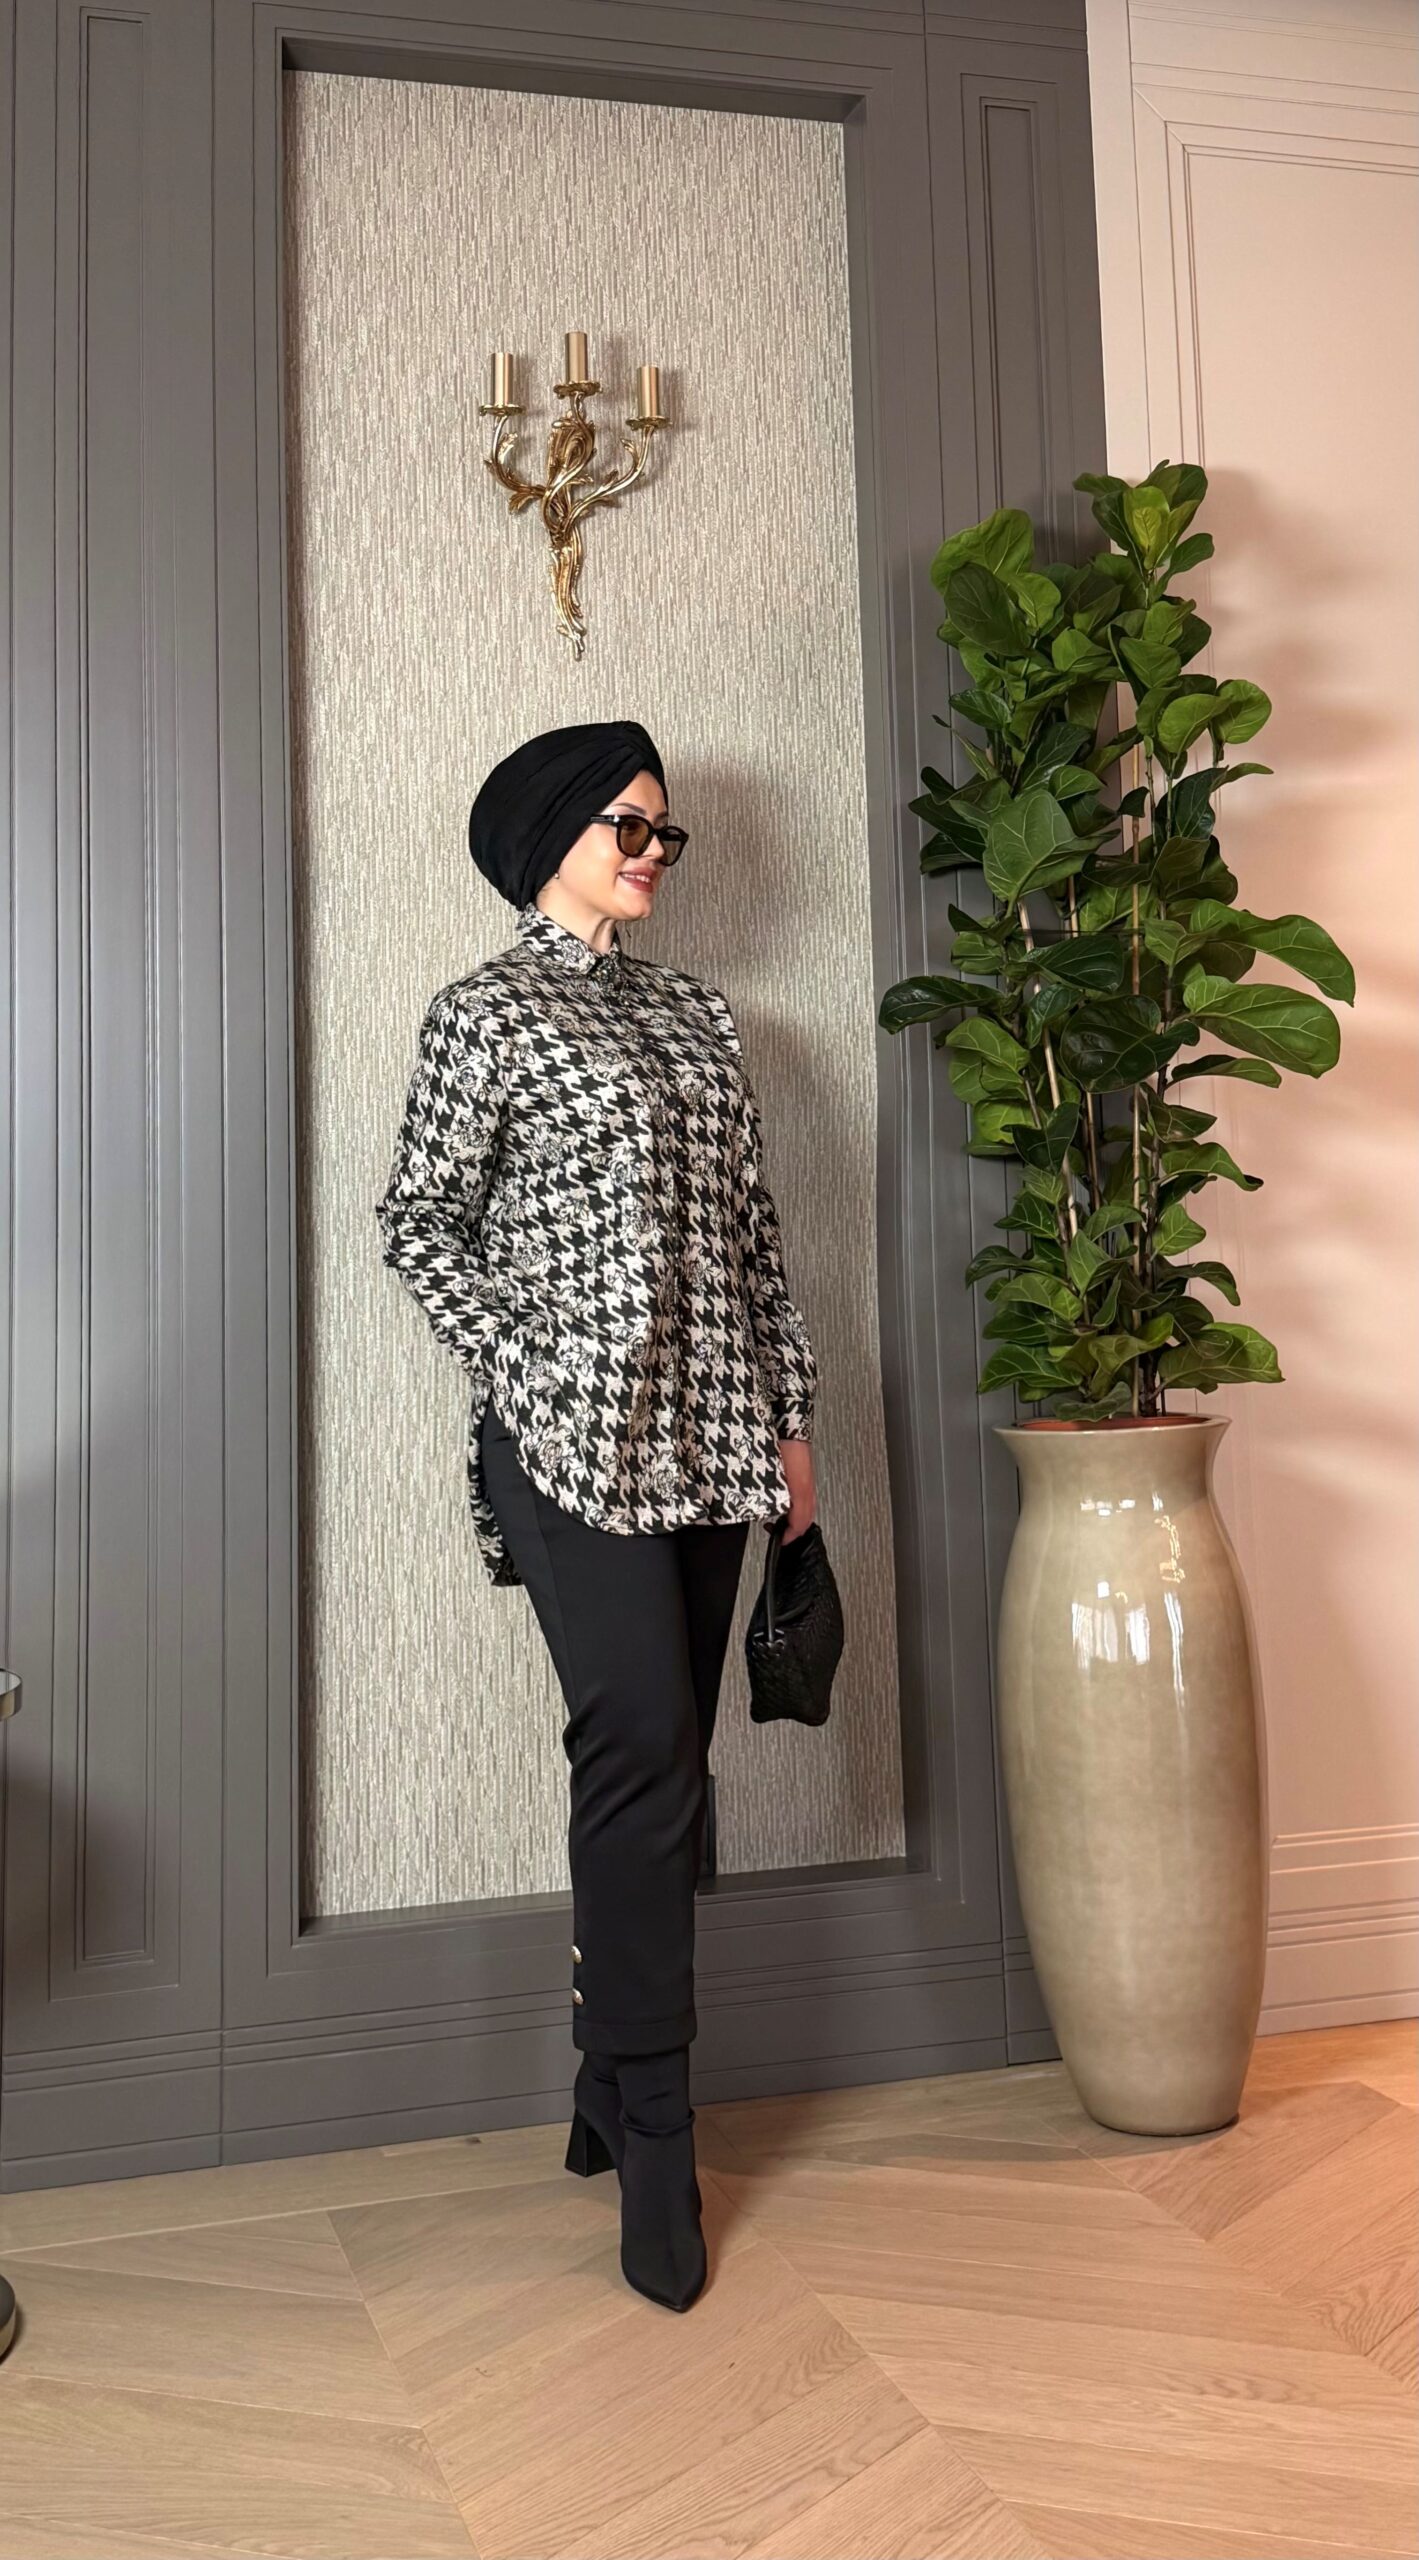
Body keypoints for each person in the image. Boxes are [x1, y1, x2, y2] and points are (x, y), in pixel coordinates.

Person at [374, 718, 819, 2312]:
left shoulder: (701, 1017)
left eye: (663, 831)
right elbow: (419, 1224)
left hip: (713, 1441)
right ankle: (656, 2131)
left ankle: (599, 2072)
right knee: (639, 1754)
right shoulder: (483, 1013)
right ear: (550, 835)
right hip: (571, 1448)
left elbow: (755, 1237)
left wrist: (793, 1429)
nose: (651, 852)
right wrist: (539, 1360)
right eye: (627, 825)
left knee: (666, 1771)